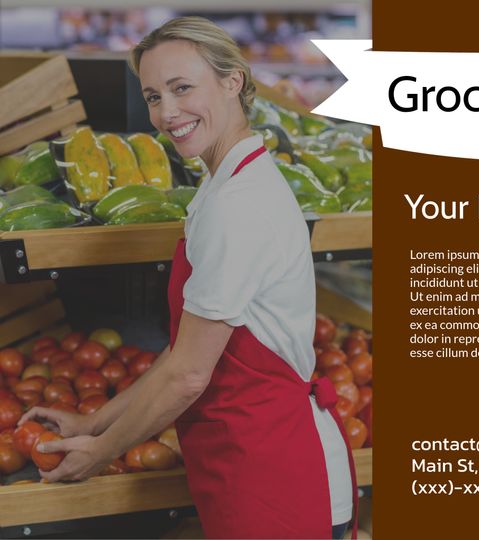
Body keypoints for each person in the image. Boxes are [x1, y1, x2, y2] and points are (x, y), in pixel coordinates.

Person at [18, 17, 357, 539]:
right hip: (250, 465)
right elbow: (185, 354)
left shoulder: (238, 205)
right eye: (153, 96)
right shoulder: (227, 186)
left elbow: (188, 376)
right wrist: (94, 422)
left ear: (232, 81)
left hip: (277, 479)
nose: (166, 113)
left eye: (182, 88)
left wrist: (99, 452)